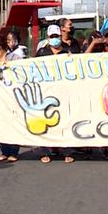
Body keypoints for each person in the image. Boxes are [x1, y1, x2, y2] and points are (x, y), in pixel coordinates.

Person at [36, 24, 77, 163]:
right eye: (52, 36)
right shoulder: (42, 52)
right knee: (46, 120)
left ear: (60, 36)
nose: (55, 39)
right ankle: (46, 151)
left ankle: (67, 151)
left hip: (64, 91)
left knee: (65, 120)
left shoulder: (67, 52)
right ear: (48, 37)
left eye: (57, 36)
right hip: (46, 91)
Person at [0, 35, 21, 162]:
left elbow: (21, 73)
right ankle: (4, 151)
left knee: (13, 123)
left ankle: (14, 151)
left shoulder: (14, 58)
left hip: (12, 97)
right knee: (0, 124)